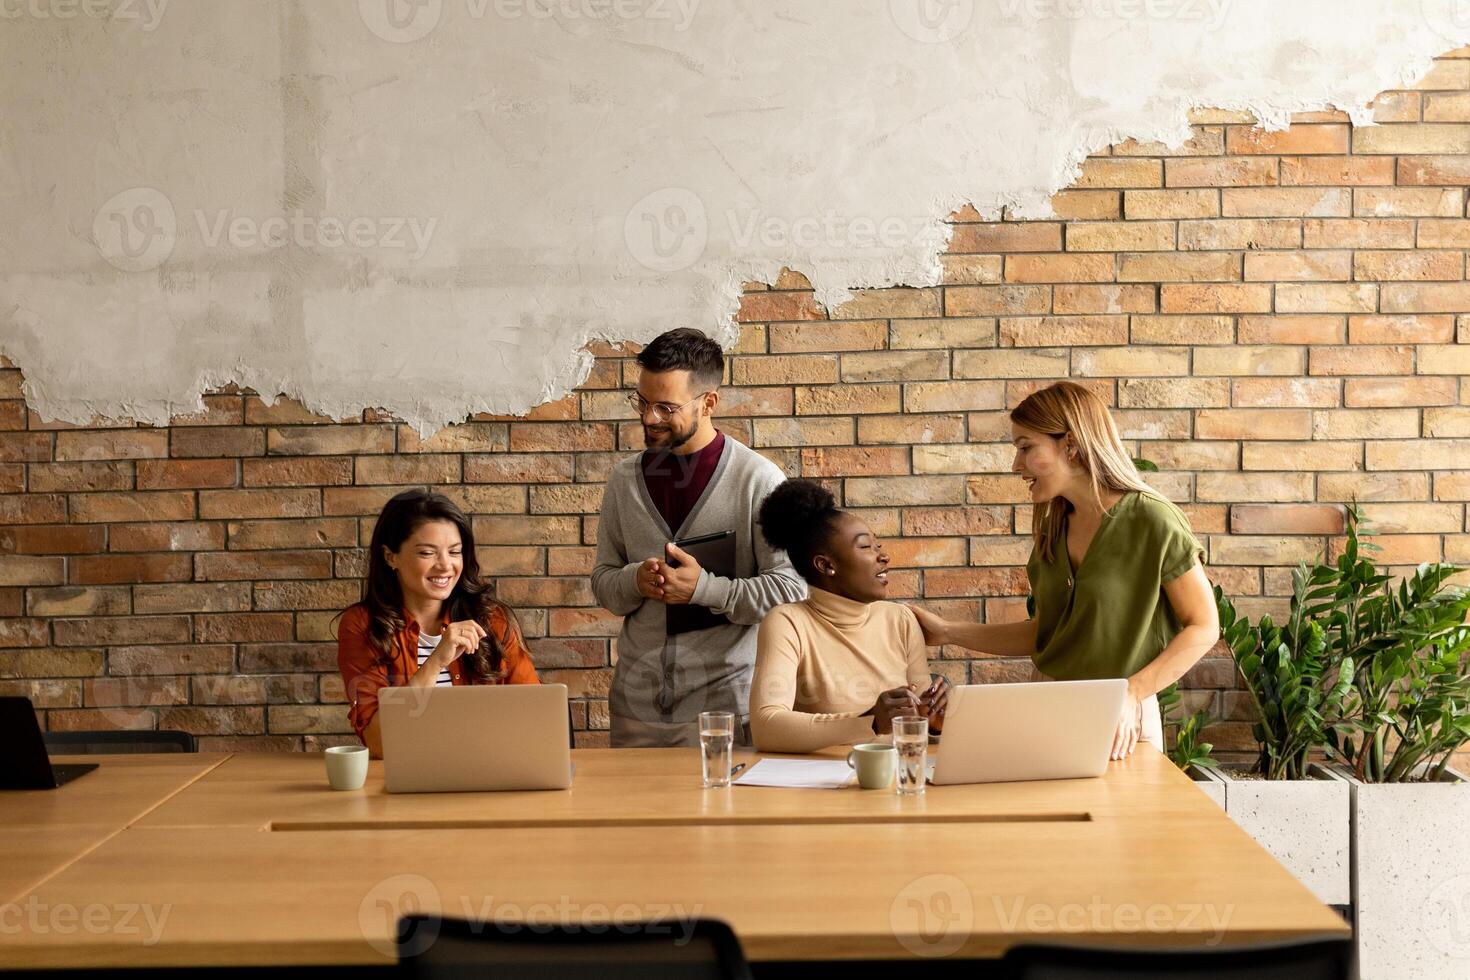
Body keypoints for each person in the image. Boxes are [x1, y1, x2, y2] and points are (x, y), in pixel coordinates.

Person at [910, 381, 1219, 761]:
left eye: (1026, 447)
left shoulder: (1151, 520)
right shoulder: (1053, 527)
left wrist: (1131, 692)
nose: (1015, 465)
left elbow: (1204, 626)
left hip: (1119, 718)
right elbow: (1051, 632)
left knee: (1124, 820)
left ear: (1070, 444)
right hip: (1048, 706)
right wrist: (946, 632)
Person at [591, 328, 806, 747]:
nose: (649, 418)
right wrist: (635, 581)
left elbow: (791, 590)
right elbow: (604, 583)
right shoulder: (624, 481)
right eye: (642, 402)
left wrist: (704, 589)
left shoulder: (757, 481)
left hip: (726, 713)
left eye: (666, 407)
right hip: (635, 711)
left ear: (709, 403)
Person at [750, 479, 950, 753]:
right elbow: (766, 727)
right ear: (826, 565)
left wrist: (936, 715)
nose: (884, 557)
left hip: (896, 778)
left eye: (878, 546)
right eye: (866, 547)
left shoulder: (900, 619)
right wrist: (869, 721)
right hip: (824, 785)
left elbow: (919, 725)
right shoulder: (788, 623)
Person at [336, 489, 539, 758]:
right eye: (427, 553)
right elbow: (379, 744)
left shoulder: (493, 620)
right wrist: (435, 662)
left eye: (455, 552)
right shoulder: (362, 625)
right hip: (407, 780)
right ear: (390, 557)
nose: (445, 566)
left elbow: (537, 719)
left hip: (489, 773)